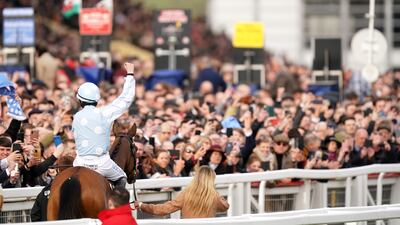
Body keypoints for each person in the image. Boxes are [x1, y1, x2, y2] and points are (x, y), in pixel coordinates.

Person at [72, 63, 136, 188]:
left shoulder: (76, 117)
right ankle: (116, 205)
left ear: (79, 100)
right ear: (97, 100)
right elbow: (126, 99)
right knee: (122, 177)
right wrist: (130, 74)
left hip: (79, 162)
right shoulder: (104, 113)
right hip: (102, 164)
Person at [134, 165, 229, 218]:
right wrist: (214, 191)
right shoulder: (214, 196)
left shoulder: (186, 194)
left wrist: (142, 205)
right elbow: (225, 206)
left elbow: (163, 209)